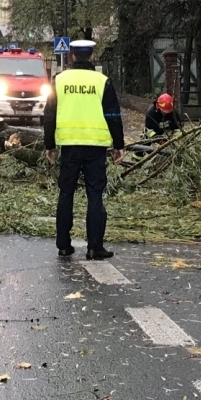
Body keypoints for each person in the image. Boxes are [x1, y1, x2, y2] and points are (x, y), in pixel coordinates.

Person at [43, 38, 125, 260]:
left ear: (71, 56)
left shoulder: (59, 81)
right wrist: (119, 145)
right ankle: (94, 247)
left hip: (69, 147)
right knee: (95, 195)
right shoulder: (102, 81)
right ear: (91, 56)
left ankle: (63, 245)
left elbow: (49, 115)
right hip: (95, 147)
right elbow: (113, 116)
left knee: (66, 193)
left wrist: (49, 145)